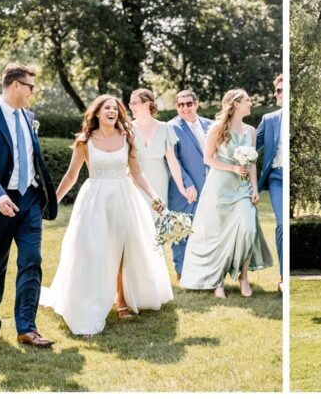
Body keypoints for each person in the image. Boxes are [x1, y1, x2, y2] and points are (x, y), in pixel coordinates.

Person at [39, 95, 173, 336]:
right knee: (93, 250)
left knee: (123, 250)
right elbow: (71, 176)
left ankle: (121, 301)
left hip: (124, 197)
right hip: (95, 200)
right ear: (97, 113)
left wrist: (153, 196)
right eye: (106, 108)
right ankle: (90, 301)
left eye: (115, 108)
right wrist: (53, 201)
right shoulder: (84, 141)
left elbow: (138, 173)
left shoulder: (127, 138)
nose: (111, 111)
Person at [0, 64, 58, 348]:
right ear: (15, 86)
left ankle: (27, 328)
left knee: (31, 260)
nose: (33, 92)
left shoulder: (30, 117)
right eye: (30, 87)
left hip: (30, 200)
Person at [178, 89, 274, 298]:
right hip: (220, 186)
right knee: (219, 234)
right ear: (236, 103)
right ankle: (217, 280)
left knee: (248, 230)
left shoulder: (250, 131)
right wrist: (231, 168)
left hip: (242, 188)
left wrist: (255, 188)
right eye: (247, 100)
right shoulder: (218, 128)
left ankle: (244, 276)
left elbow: (252, 164)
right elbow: (208, 158)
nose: (251, 103)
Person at [166, 90, 212, 280]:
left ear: (196, 104)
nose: (185, 108)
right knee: (180, 229)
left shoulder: (210, 125)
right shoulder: (170, 127)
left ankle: (204, 269)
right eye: (180, 104)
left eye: (188, 104)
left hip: (210, 185)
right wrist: (187, 184)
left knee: (206, 230)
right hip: (182, 188)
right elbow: (172, 159)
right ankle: (181, 271)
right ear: (177, 106)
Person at [128, 88, 193, 213]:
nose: (130, 106)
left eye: (134, 103)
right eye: (130, 103)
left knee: (158, 219)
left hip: (159, 181)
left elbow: (172, 161)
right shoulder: (128, 129)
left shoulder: (165, 128)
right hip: (134, 181)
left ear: (146, 104)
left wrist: (181, 187)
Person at [256, 74, 285, 293]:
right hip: (277, 178)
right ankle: (284, 278)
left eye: (280, 90)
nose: (276, 94)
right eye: (276, 90)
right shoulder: (270, 119)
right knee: (282, 224)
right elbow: (249, 145)